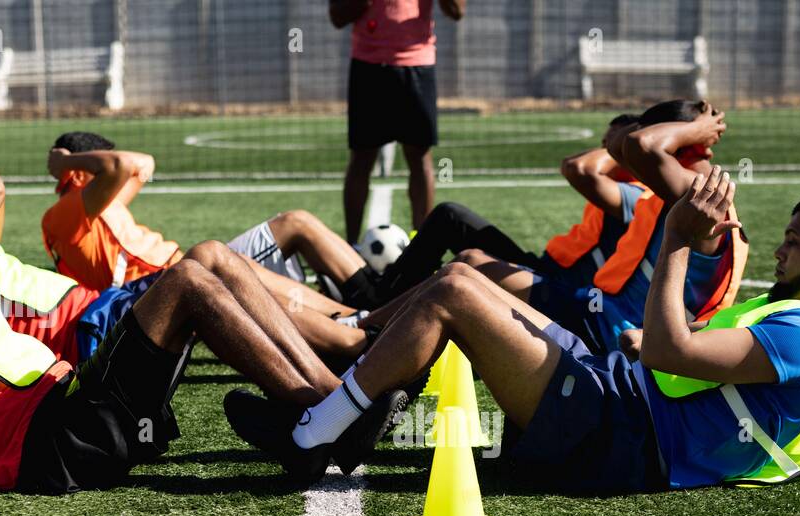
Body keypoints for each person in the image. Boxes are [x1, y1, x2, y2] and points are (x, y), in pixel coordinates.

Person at [227, 169, 800, 494]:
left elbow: (671, 347)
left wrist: (678, 237)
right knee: (468, 279)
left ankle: (312, 436)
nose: (777, 252)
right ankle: (351, 402)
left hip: (622, 438)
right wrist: (640, 347)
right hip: (620, 395)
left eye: (792, 243)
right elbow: (679, 360)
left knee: (455, 292)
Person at [0, 155, 405, 494]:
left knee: (211, 258)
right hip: (50, 450)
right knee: (189, 283)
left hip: (68, 408)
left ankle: (327, 407)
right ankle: (326, 413)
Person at [447, 100, 748, 357]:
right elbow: (624, 146)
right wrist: (687, 128)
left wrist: (696, 129)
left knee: (468, 269)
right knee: (467, 268)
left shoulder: (702, 196)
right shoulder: (681, 191)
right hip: (601, 314)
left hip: (615, 333)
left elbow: (637, 145)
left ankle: (405, 369)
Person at [41, 131, 381, 310]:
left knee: (274, 249)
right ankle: (367, 308)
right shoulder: (69, 211)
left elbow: (142, 164)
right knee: (292, 226)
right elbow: (120, 164)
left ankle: (365, 301)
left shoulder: (94, 206)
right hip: (166, 287)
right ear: (82, 173)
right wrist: (66, 164)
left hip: (178, 275)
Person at [364, 113, 649, 304]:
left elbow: (577, 168)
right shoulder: (618, 186)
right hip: (543, 269)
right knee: (451, 220)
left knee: (452, 226)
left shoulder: (640, 196)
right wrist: (616, 144)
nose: (600, 151)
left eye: (608, 145)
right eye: (601, 144)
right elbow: (574, 164)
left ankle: (376, 305)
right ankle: (384, 298)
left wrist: (623, 145)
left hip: (559, 291)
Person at [329, 0, 466, 241]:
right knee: (362, 157)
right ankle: (351, 246)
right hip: (368, 67)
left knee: (419, 156)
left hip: (417, 64)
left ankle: (421, 244)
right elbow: (337, 17)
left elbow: (456, 11)